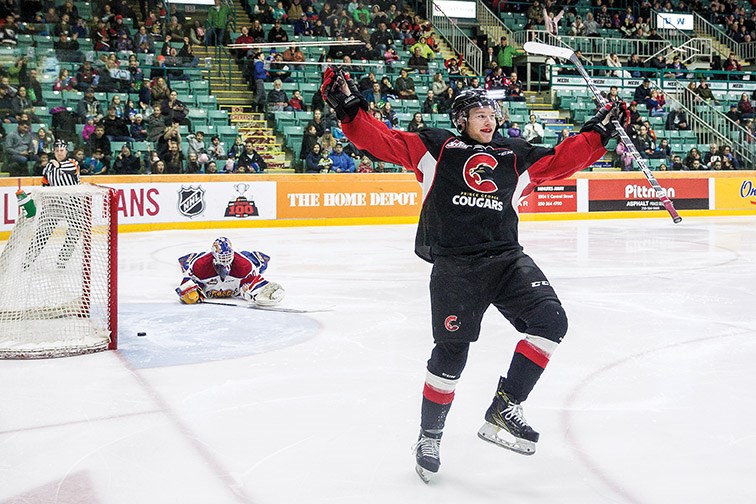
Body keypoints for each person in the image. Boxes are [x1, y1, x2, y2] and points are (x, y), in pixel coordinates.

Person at [320, 68, 623, 482]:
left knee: (551, 322)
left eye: (492, 114)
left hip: (505, 259)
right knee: (451, 355)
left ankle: (505, 405)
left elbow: (562, 160)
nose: (489, 120)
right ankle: (430, 436)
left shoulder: (515, 155)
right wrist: (350, 110)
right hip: (456, 267)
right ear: (460, 119)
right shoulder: (435, 147)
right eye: (479, 113)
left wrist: (597, 134)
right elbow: (381, 141)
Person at [22, 139, 82, 270]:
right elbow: (45, 184)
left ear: (66, 151)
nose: (59, 153)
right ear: (53, 151)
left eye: (62, 150)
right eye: (57, 151)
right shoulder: (48, 167)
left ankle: (62, 259)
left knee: (75, 232)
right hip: (54, 204)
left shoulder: (73, 162)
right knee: (43, 233)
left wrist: (57, 165)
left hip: (73, 204)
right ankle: (28, 260)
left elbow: (72, 170)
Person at [176, 237, 285, 307]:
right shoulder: (200, 264)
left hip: (242, 263)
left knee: (261, 266)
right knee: (186, 267)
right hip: (204, 264)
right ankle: (191, 257)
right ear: (214, 255)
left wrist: (250, 289)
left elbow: (252, 281)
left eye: (228, 256)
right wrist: (191, 290)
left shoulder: (243, 264)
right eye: (221, 257)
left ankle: (254, 256)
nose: (225, 260)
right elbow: (186, 283)